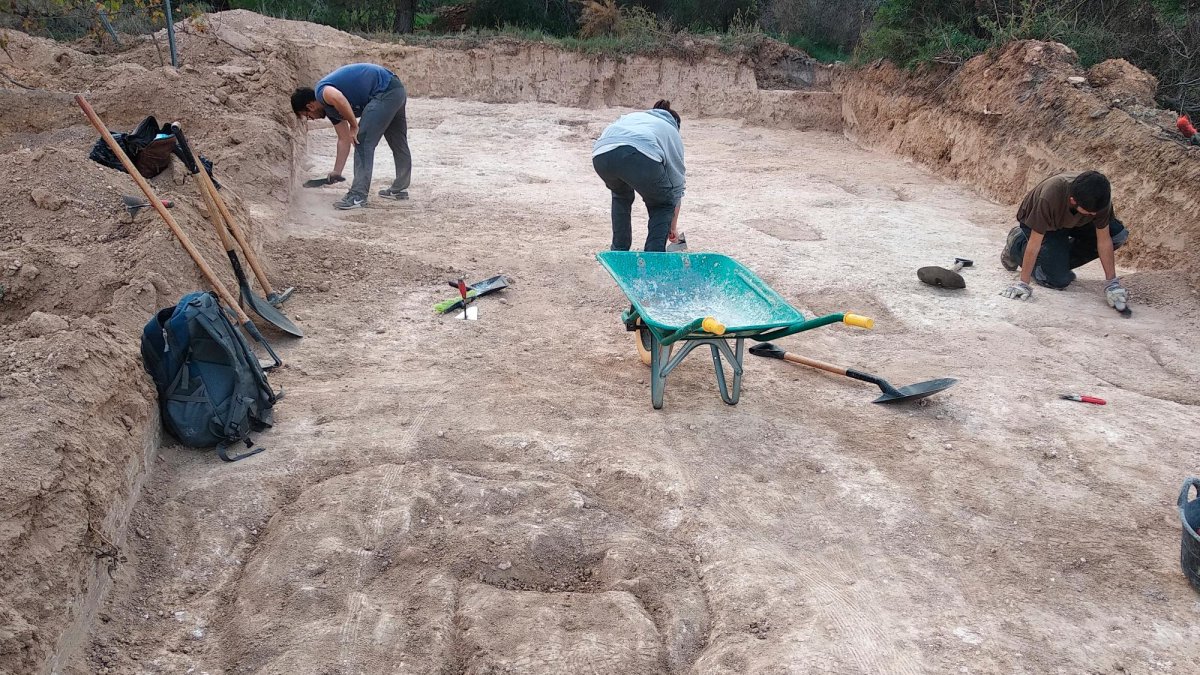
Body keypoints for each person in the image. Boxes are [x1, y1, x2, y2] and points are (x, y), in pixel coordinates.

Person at [999, 171, 1129, 312]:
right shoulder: (1050, 196)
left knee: (1117, 235)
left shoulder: (1099, 199)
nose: (1094, 215)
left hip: (1075, 223)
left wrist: (1112, 284)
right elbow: (1035, 242)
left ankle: (1054, 263)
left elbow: (1104, 240)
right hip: (1043, 225)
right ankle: (1017, 244)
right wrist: (1023, 284)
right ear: (1073, 201)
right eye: (1090, 213)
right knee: (1057, 280)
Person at [291, 63, 411, 210]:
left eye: (307, 115)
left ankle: (358, 196)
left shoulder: (322, 92)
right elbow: (344, 139)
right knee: (398, 142)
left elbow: (339, 98)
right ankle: (400, 188)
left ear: (310, 106)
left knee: (362, 141)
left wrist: (354, 126)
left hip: (383, 91)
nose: (311, 119)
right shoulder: (331, 110)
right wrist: (337, 171)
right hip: (395, 89)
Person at [592, 100, 685, 252]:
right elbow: (676, 187)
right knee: (662, 204)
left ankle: (619, 251)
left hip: (601, 154)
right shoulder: (671, 130)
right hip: (638, 154)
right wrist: (672, 227)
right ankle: (653, 260)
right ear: (675, 122)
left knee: (621, 196)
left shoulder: (633, 117)